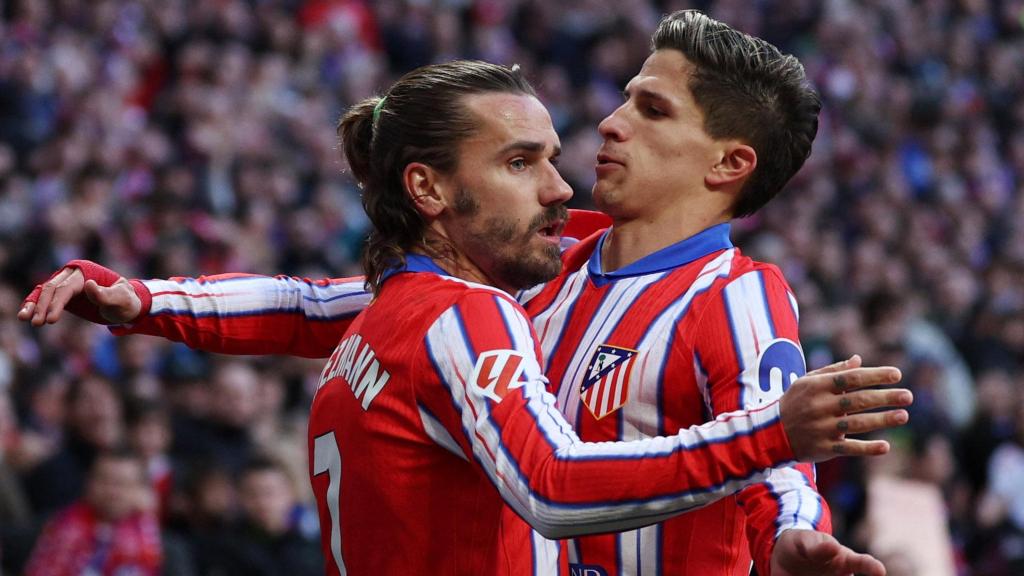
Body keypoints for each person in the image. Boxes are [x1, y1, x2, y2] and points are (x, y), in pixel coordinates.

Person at [19, 56, 911, 575]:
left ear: (725, 164)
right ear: (430, 189)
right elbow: (559, 481)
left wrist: (795, 527)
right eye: (528, 160)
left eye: (648, 107)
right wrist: (143, 300)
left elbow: (774, 430)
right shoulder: (508, 285)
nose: (608, 124)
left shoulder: (733, 294)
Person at [23, 447, 161, 576]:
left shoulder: (153, 538)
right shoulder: (58, 525)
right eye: (105, 481)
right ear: (89, 483)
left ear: (139, 490)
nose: (113, 491)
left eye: (122, 483)